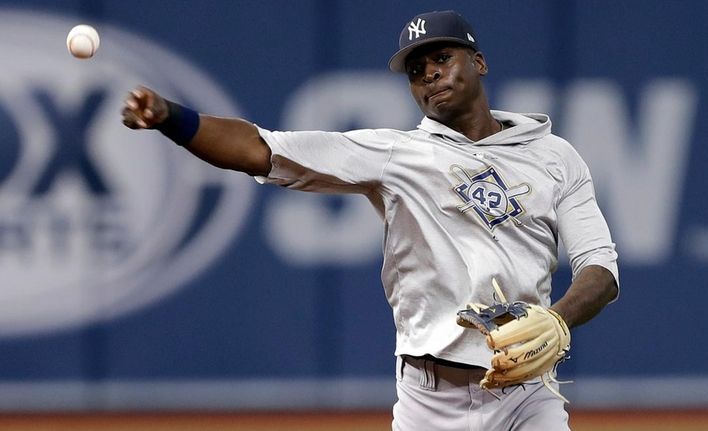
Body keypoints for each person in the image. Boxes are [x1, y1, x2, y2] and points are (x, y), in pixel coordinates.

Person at [122, 10, 618, 431]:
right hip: (432, 400)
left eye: (443, 58)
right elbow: (259, 148)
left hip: (526, 394)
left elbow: (600, 267)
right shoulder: (395, 155)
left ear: (480, 62)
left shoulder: (554, 156)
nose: (429, 74)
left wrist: (558, 318)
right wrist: (170, 118)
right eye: (416, 69)